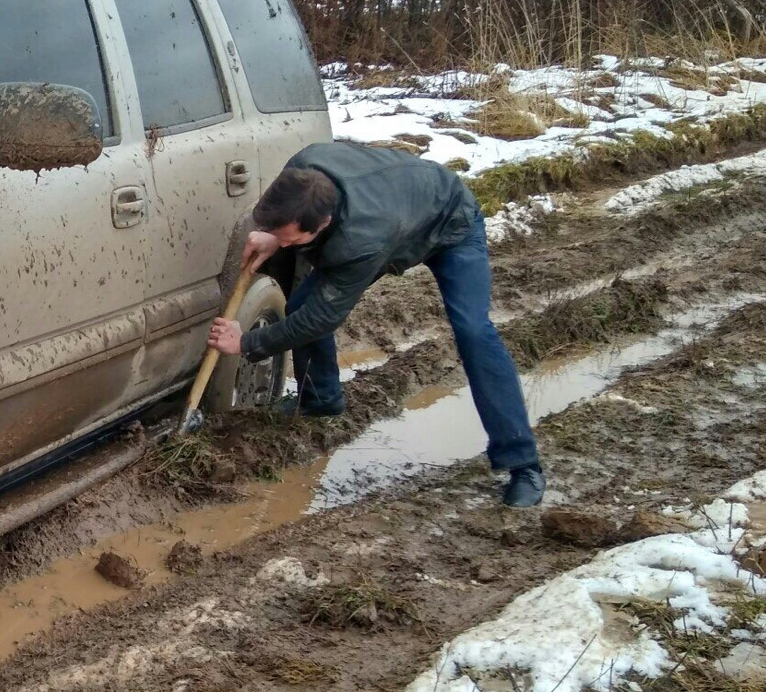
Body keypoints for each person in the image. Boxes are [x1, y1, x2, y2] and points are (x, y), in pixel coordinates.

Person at [207, 142, 544, 507]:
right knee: (302, 301)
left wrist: (246, 344)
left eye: (293, 239)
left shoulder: (359, 240)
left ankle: (523, 463)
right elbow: (301, 267)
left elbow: (321, 319)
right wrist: (276, 233)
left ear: (323, 223)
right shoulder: (301, 168)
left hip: (451, 223)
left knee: (473, 331)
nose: (287, 244)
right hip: (401, 207)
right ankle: (320, 400)